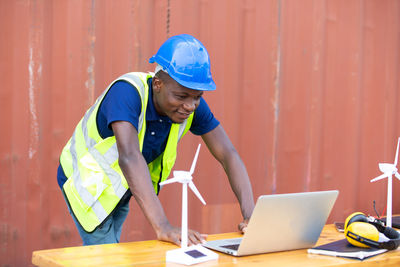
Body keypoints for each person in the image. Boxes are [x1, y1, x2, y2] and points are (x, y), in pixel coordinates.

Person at [57, 34, 255, 246]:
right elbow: (130, 157)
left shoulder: (191, 103)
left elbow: (228, 154)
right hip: (85, 181)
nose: (190, 105)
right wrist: (163, 226)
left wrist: (252, 216)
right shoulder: (126, 93)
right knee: (105, 257)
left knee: (111, 250)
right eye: (181, 97)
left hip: (120, 186)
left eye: (198, 97)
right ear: (158, 84)